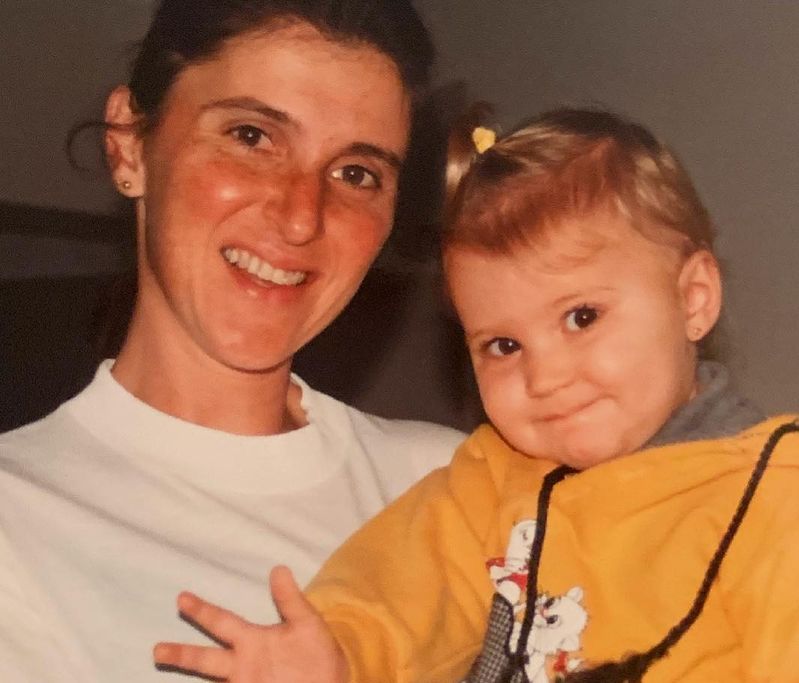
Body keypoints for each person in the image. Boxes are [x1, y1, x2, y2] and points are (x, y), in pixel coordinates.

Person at [154, 107, 799, 682]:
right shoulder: (496, 482)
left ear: (694, 297)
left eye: (582, 316)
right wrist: (335, 652)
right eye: (503, 344)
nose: (546, 374)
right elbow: (395, 588)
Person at [0, 1, 464, 680]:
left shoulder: (454, 486)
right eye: (251, 136)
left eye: (356, 173)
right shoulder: (18, 521)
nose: (302, 216)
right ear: (130, 141)